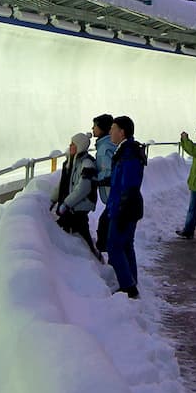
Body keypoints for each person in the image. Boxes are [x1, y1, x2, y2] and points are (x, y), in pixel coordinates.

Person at [105, 116, 147, 297]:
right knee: (126, 245)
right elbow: (118, 180)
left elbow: (129, 184)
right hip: (128, 206)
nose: (110, 132)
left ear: (122, 132)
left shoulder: (128, 153)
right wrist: (97, 180)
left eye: (113, 128)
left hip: (125, 207)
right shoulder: (126, 150)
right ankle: (131, 281)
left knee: (114, 246)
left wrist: (121, 210)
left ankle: (128, 287)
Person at [51, 132, 100, 257]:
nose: (70, 146)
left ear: (79, 146)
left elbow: (83, 188)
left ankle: (92, 258)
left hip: (78, 208)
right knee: (74, 231)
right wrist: (53, 199)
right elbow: (64, 183)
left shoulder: (87, 164)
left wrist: (66, 204)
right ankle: (90, 256)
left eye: (73, 144)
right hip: (71, 207)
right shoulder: (70, 162)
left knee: (81, 232)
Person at [91, 113, 117, 256]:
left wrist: (97, 179)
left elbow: (109, 170)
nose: (92, 129)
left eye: (95, 126)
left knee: (105, 224)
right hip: (112, 192)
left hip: (111, 192)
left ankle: (105, 252)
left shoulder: (105, 147)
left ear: (101, 128)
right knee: (105, 222)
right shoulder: (107, 144)